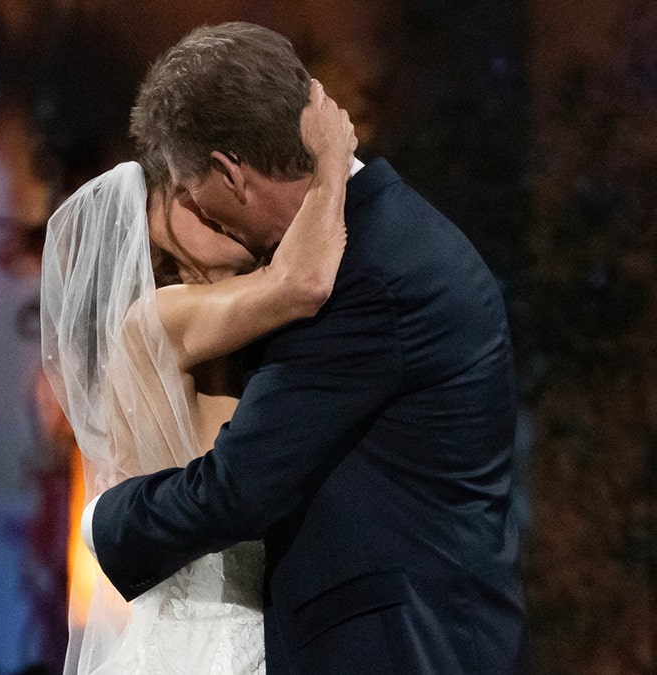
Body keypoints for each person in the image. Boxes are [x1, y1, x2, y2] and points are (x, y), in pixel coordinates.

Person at [85, 22, 527, 674]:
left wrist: (101, 521)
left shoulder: (365, 273)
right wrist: (328, 160)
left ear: (230, 173)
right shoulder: (372, 238)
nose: (193, 207)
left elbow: (240, 487)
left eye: (189, 188)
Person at [41, 82, 356, 672]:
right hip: (204, 645)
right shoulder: (158, 318)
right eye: (184, 197)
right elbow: (299, 281)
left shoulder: (231, 328)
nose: (209, 208)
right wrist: (332, 164)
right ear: (150, 224)